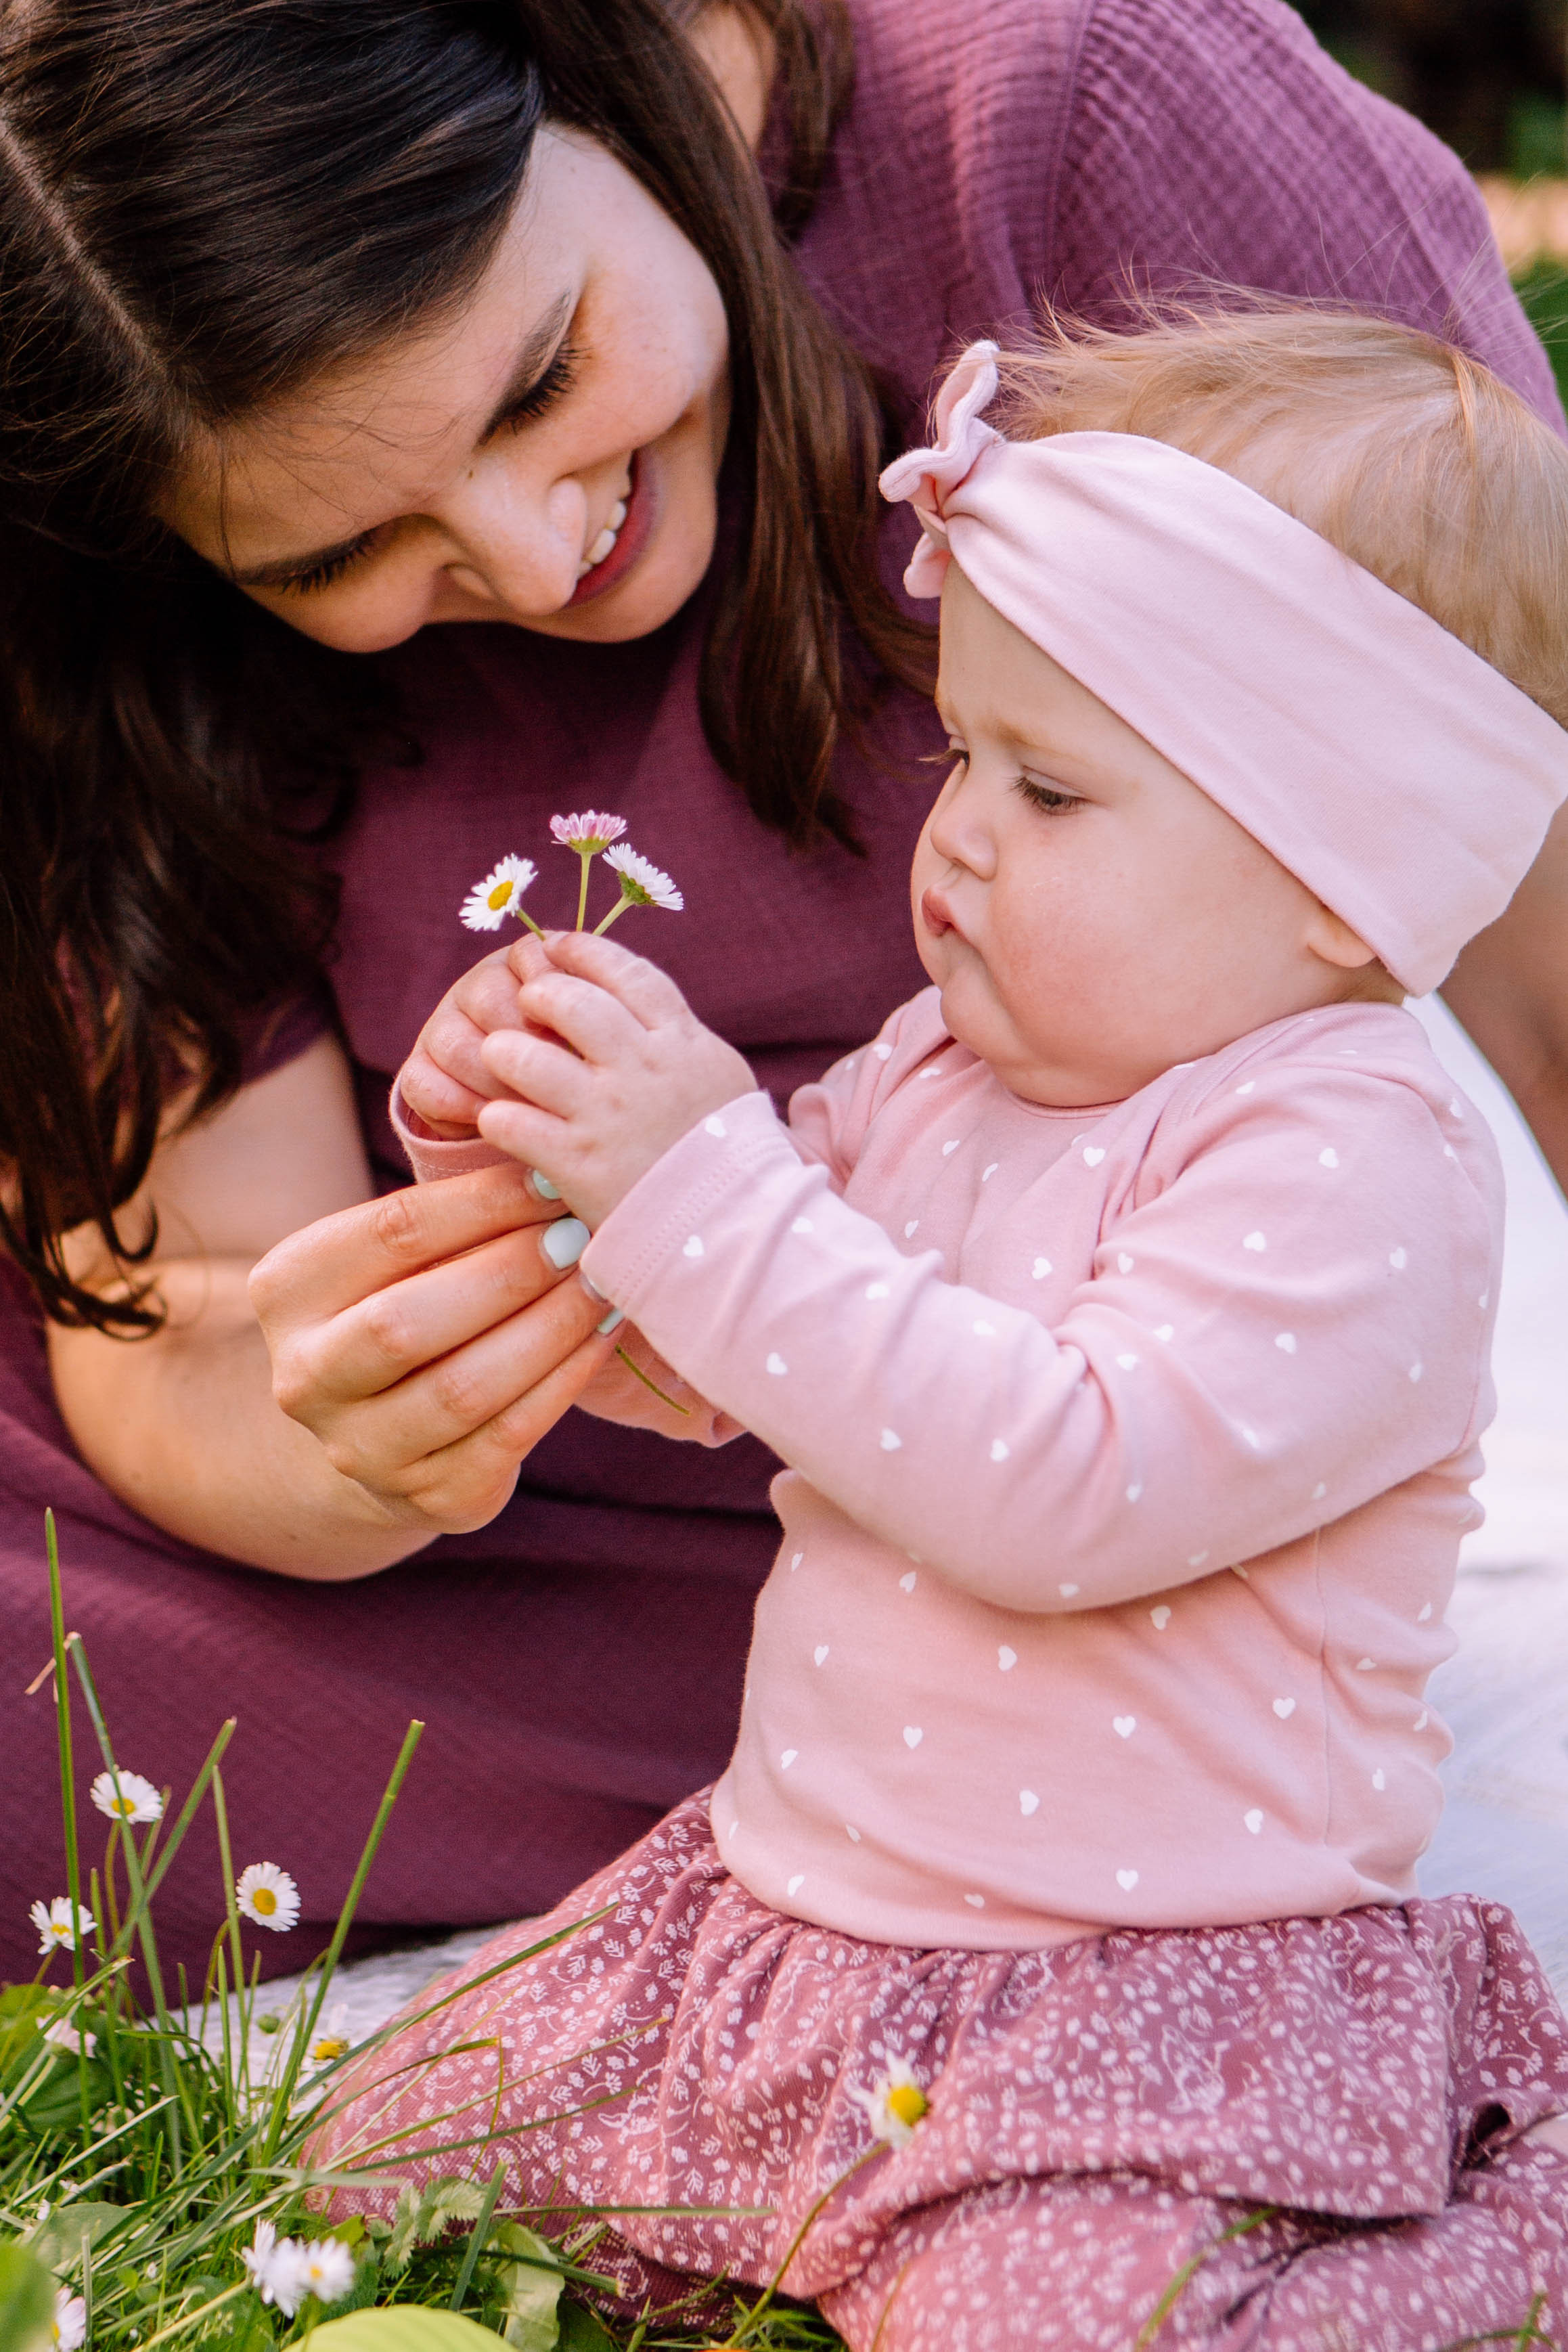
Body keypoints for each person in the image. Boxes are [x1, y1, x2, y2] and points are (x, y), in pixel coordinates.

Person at [1, 0, 1565, 1989]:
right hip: (473, 1533)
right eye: (343, 549)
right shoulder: (108, 608)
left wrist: (716, 1226)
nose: (536, 543)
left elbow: (1528, 843)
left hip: (972, 1514)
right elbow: (184, 1294)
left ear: (583, 58)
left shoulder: (1068, 117)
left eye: (539, 376)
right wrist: (344, 1423)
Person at [313, 311, 1568, 2349]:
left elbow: (1062, 1479)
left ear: (1352, 876)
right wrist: (557, 1169)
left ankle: (1479, 2260)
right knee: (370, 2158)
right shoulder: (941, 1065)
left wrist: (698, 1186)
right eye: (966, 752)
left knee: (1051, 2318)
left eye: (1053, 789)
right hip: (803, 1923)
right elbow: (753, 1353)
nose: (958, 835)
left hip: (1136, 1992)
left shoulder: (1358, 1154)